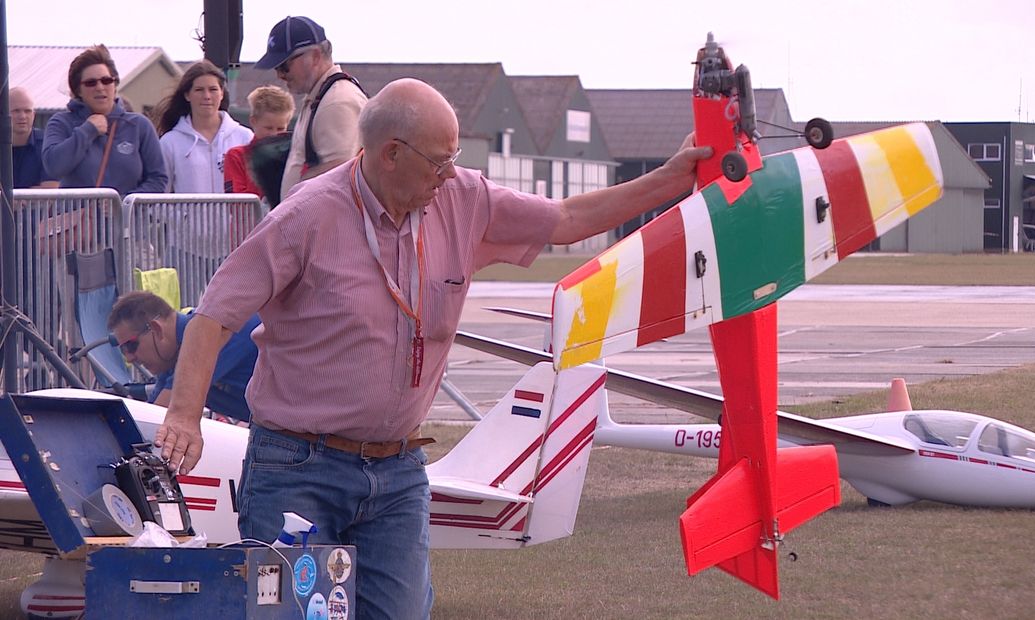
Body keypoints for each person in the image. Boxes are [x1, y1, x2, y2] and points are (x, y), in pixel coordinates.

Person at [155, 78, 710, 619]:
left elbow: (566, 221)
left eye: (454, 158)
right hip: (298, 466)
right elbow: (213, 317)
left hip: (397, 471)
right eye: (439, 160)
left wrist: (668, 180)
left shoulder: (463, 198)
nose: (450, 173)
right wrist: (184, 415)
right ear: (391, 153)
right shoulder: (306, 217)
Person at [253, 15, 368, 201]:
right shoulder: (322, 96)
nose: (280, 75)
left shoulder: (336, 101)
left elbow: (340, 177)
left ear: (315, 56)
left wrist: (295, 187)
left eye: (284, 65)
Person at [108, 291, 259, 422]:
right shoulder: (172, 355)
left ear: (156, 329)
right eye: (123, 350)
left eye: (130, 346)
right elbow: (151, 414)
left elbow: (160, 416)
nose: (129, 358)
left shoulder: (214, 331)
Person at [42, 44, 167, 194]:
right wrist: (87, 131)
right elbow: (54, 166)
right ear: (78, 90)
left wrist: (122, 203)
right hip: (79, 216)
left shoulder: (139, 125)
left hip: (126, 217)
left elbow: (158, 179)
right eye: (90, 83)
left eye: (106, 80)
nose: (100, 87)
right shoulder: (61, 122)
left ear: (115, 85)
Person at [156, 60, 253, 193]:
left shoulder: (244, 137)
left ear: (222, 94)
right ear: (187, 95)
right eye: (199, 90)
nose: (207, 96)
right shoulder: (169, 143)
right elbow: (162, 196)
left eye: (213, 90)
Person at [222, 86, 295, 197]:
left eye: (280, 129)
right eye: (268, 128)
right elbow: (237, 204)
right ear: (253, 121)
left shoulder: (294, 157)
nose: (274, 134)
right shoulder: (236, 156)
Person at [11, 87, 58, 189]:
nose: (22, 116)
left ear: (33, 115)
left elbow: (50, 191)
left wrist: (11, 200)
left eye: (27, 111)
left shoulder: (47, 145)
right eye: (16, 111)